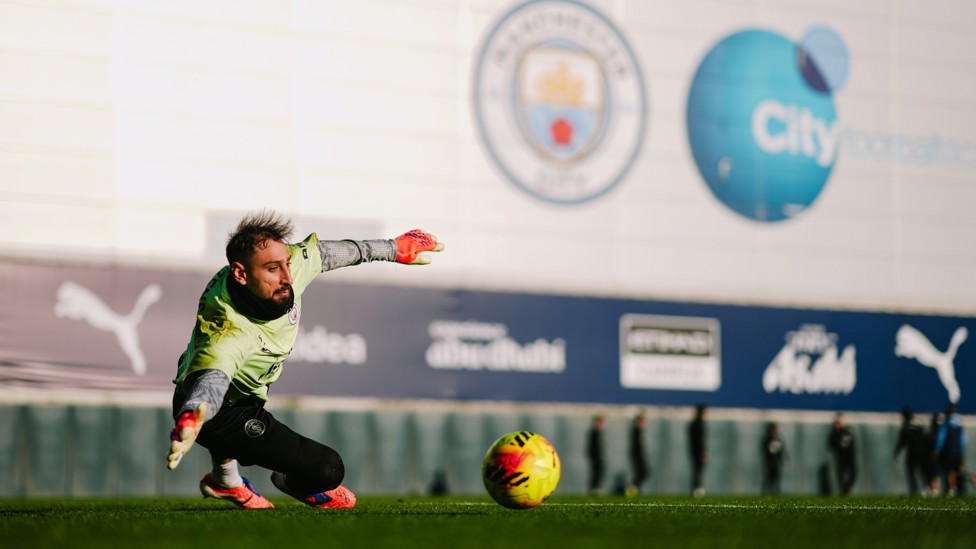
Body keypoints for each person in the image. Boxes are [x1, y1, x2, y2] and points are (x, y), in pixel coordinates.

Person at [165, 211, 443, 509]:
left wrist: (391, 248)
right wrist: (193, 415)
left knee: (246, 397)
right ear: (240, 274)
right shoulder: (228, 330)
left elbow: (324, 253)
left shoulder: (286, 269)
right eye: (273, 269)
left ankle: (225, 482)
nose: (288, 278)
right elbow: (213, 380)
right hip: (218, 414)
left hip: (245, 395)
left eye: (286, 264)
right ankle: (288, 482)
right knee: (328, 469)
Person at [893, 407, 931, 496]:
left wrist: (896, 452)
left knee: (912, 472)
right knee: (922, 471)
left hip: (913, 453)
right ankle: (925, 487)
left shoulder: (906, 428)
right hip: (922, 453)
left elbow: (901, 442)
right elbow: (925, 438)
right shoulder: (918, 426)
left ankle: (915, 489)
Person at [934, 403, 967, 496]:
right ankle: (959, 488)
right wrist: (959, 449)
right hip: (958, 452)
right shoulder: (959, 426)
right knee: (958, 470)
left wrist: (937, 449)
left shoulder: (946, 425)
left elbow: (941, 438)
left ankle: (951, 488)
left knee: (949, 471)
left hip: (948, 452)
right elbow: (963, 440)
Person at [827, 413, 857, 496]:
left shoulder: (847, 430)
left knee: (852, 474)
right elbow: (831, 444)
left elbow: (847, 443)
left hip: (850, 457)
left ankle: (846, 489)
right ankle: (843, 491)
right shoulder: (834, 433)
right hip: (840, 457)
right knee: (841, 475)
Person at [627, 412, 650, 496]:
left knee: (643, 473)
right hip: (637, 455)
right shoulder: (635, 431)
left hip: (639, 455)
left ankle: (635, 489)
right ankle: (632, 489)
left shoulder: (640, 431)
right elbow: (636, 446)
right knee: (641, 473)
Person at [761, 422, 786, 496]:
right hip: (770, 462)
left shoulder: (778, 439)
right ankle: (766, 492)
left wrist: (782, 461)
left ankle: (775, 492)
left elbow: (781, 451)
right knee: (768, 478)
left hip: (775, 462)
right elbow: (765, 451)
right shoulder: (767, 439)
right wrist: (766, 462)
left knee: (776, 478)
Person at [688, 404, 708, 497]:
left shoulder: (693, 423)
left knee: (696, 471)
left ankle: (695, 488)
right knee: (698, 471)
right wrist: (702, 452)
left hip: (693, 450)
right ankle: (697, 488)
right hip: (697, 451)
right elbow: (700, 440)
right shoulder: (699, 424)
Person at [586, 414, 606, 494]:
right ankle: (594, 488)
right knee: (595, 472)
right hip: (595, 457)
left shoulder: (598, 433)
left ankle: (597, 487)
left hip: (598, 457)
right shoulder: (593, 433)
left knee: (599, 472)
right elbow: (591, 447)